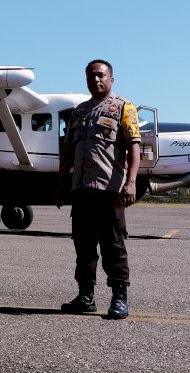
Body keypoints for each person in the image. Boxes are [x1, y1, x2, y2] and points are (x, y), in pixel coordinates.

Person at [55, 59, 141, 319]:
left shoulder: (123, 108)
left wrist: (131, 181)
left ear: (111, 79)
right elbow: (67, 151)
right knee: (83, 246)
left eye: (101, 75)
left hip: (108, 189)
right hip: (81, 190)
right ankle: (85, 296)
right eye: (91, 76)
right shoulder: (79, 111)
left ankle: (119, 297)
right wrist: (60, 185)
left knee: (113, 245)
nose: (96, 80)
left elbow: (133, 147)